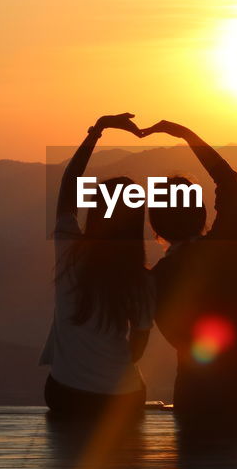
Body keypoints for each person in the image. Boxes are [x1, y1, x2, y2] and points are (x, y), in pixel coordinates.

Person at [140, 120, 237, 427]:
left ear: (156, 225)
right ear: (201, 212)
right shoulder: (225, 248)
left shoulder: (155, 279)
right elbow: (229, 183)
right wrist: (186, 134)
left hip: (204, 394)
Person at [40, 113, 153, 421]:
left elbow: (68, 186)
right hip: (122, 400)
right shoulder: (139, 278)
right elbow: (138, 344)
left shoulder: (70, 253)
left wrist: (98, 130)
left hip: (66, 396)